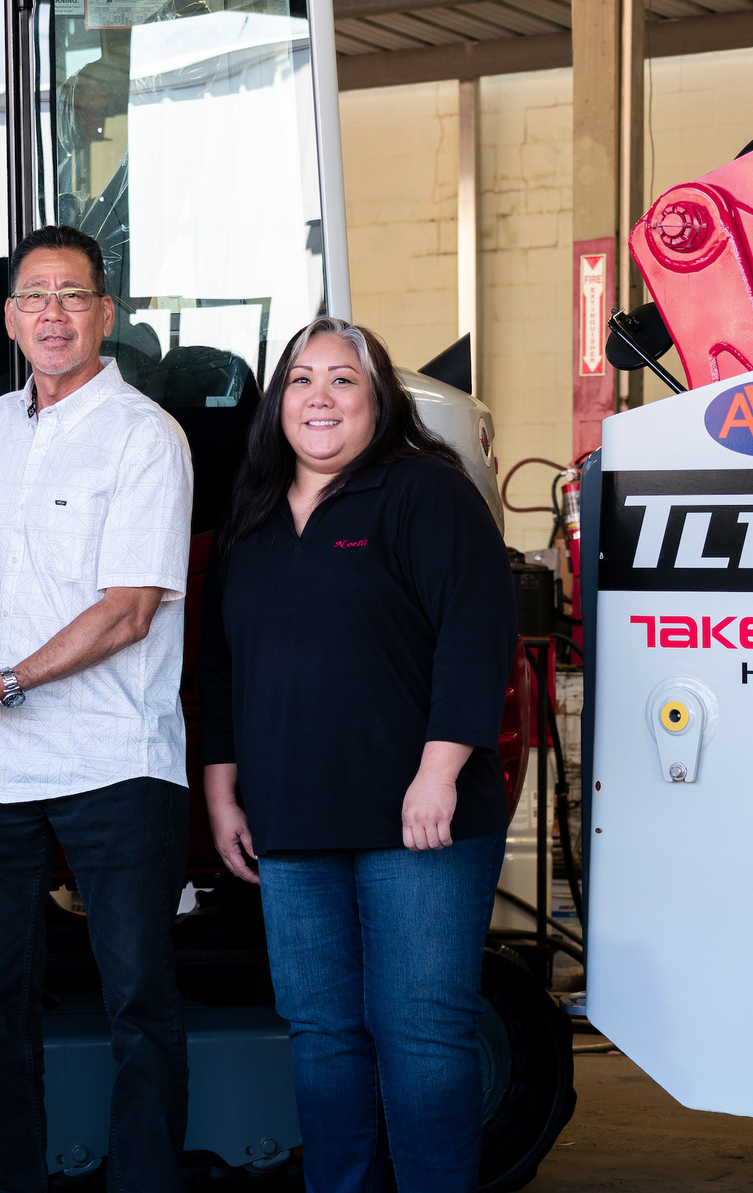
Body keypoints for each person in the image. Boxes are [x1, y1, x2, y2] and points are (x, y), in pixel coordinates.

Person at [0, 224, 195, 1193]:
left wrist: (4, 683)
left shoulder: (146, 436)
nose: (52, 314)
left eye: (72, 295)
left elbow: (127, 610)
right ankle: (15, 1179)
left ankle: (143, 1182)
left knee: (139, 1004)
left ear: (105, 313)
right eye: (33, 298)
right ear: (9, 319)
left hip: (116, 760)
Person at [198, 316, 517, 1193]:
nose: (320, 397)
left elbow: (474, 634)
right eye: (301, 379)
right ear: (277, 403)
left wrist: (439, 770)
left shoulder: (426, 493)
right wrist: (223, 792)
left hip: (417, 819)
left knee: (420, 1030)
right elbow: (222, 661)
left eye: (344, 380)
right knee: (322, 1033)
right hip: (293, 817)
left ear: (379, 402)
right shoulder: (253, 518)